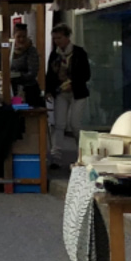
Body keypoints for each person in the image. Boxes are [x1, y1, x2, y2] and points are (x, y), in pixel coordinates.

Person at [45, 24, 91, 161]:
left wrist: (73, 84)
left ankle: (82, 154)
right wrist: (49, 90)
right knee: (59, 124)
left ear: (67, 37)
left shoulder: (79, 52)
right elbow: (50, 74)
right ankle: (56, 154)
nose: (57, 41)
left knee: (75, 124)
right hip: (60, 92)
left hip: (77, 92)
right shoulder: (54, 54)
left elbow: (86, 74)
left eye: (59, 38)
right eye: (54, 38)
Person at [10, 23, 43, 107]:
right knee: (17, 110)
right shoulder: (10, 51)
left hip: (29, 91)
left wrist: (17, 75)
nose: (21, 39)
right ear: (14, 36)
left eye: (24, 37)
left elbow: (33, 73)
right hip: (15, 89)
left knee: (29, 112)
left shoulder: (31, 51)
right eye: (18, 37)